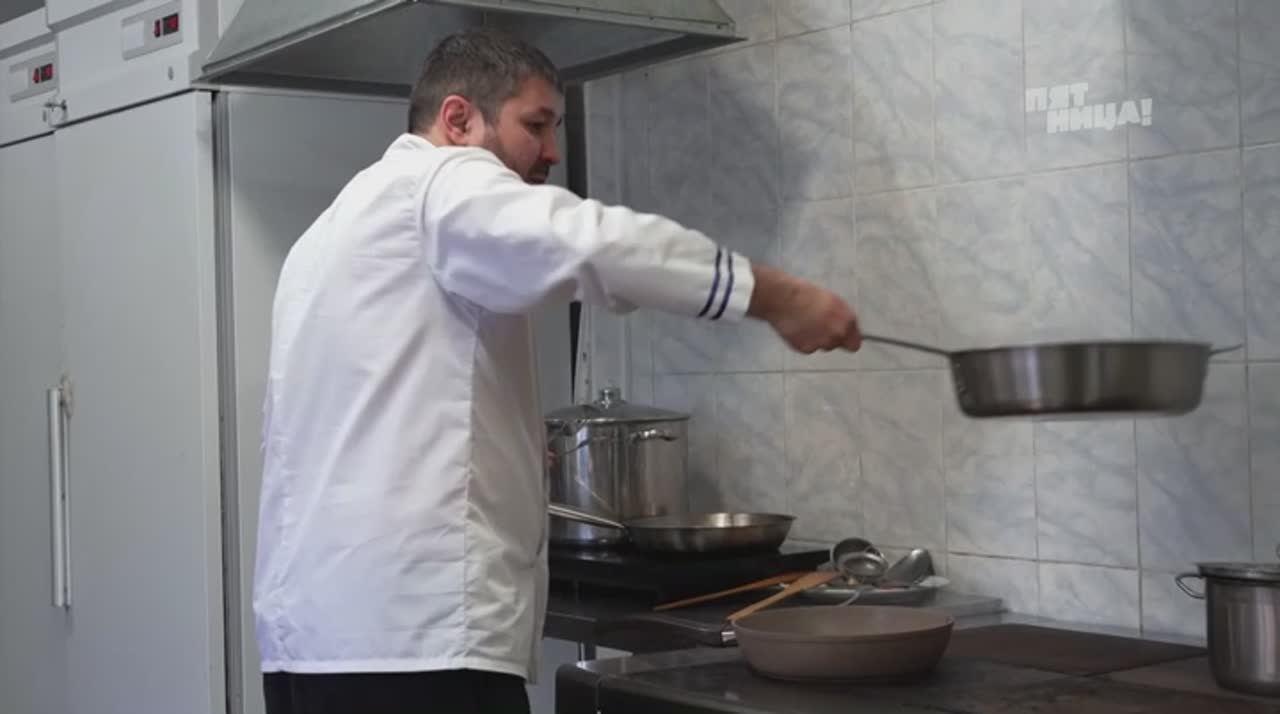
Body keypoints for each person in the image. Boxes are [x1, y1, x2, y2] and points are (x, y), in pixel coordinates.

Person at [254, 27, 862, 714]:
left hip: (309, 645)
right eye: (535, 124)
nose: (552, 151)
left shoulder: (328, 235)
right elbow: (592, 244)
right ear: (458, 120)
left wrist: (505, 453)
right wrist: (780, 298)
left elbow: (360, 424)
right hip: (418, 645)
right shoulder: (442, 182)